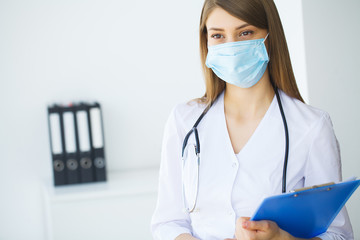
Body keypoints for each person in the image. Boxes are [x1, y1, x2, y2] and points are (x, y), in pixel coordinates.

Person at [151, 0, 354, 239]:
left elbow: (339, 235)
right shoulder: (184, 120)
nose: (232, 46)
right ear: (206, 41)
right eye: (218, 35)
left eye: (245, 32)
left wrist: (282, 238)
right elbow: (167, 222)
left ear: (270, 36)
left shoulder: (311, 126)